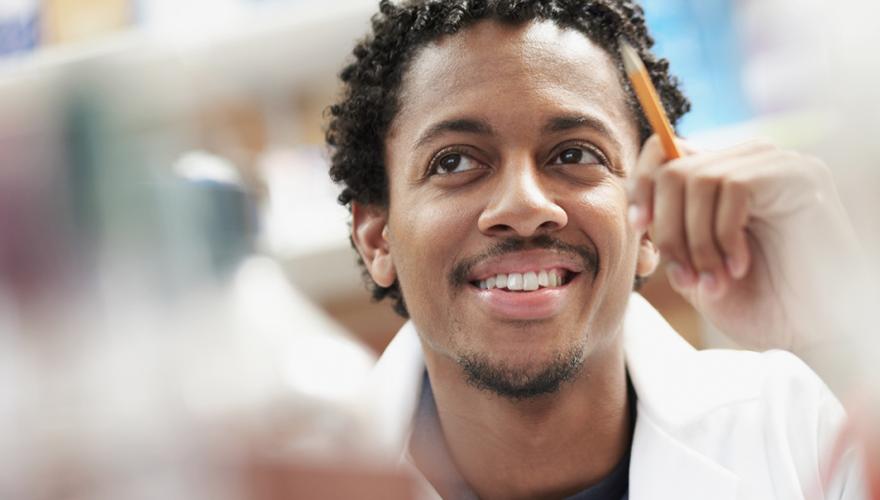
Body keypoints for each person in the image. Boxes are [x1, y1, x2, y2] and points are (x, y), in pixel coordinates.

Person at [326, 1, 868, 498]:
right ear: (378, 238)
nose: (524, 205)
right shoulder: (284, 474)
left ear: (650, 219)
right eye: (454, 162)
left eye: (574, 154)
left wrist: (840, 338)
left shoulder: (797, 423)